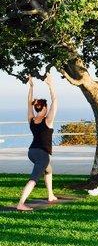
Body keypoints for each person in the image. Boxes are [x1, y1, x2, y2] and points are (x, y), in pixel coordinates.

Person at [17, 74, 58, 211]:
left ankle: (51, 195)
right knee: (34, 178)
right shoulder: (48, 120)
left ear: (37, 108)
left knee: (48, 170)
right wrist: (50, 84)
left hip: (32, 152)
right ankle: (21, 203)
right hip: (42, 154)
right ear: (44, 108)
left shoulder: (32, 119)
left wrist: (31, 86)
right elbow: (55, 100)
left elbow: (28, 102)